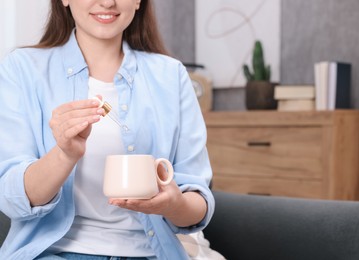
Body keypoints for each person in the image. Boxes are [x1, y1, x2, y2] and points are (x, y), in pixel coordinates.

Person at [0, 0, 214, 259]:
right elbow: (11, 199)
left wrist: (174, 204)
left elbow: (198, 201)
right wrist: (65, 154)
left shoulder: (172, 76)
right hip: (58, 252)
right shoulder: (22, 69)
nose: (107, 2)